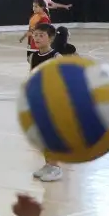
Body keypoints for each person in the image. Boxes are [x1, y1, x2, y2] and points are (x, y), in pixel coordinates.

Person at [28, 22, 76, 184]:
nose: (37, 38)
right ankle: (48, 164)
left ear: (51, 38)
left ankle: (56, 167)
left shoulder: (56, 57)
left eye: (41, 35)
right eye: (35, 35)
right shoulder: (33, 57)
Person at [25, 0, 51, 66]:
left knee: (36, 62)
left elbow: (43, 33)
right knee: (31, 60)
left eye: (36, 6)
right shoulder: (35, 15)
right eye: (33, 6)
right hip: (32, 41)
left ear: (42, 7)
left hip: (38, 43)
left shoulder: (44, 18)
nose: (34, 8)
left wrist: (32, 33)